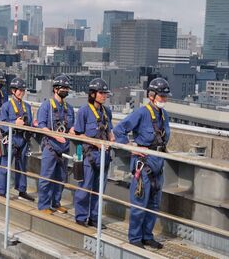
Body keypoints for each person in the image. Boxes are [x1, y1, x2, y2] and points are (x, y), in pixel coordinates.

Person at [113, 77, 171, 249]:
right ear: (151, 95)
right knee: (139, 203)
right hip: (144, 164)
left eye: (165, 97)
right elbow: (119, 129)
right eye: (161, 96)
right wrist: (130, 147)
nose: (164, 100)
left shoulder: (164, 115)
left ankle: (147, 235)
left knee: (153, 204)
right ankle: (135, 237)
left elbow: (162, 138)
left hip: (158, 164)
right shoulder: (142, 113)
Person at [73, 78, 114, 228]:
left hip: (104, 156)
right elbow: (78, 134)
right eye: (101, 93)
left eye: (105, 93)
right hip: (90, 155)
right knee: (85, 188)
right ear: (93, 94)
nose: (104, 96)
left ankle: (94, 218)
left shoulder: (106, 112)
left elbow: (109, 130)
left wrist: (111, 138)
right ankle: (81, 217)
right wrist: (94, 142)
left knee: (99, 190)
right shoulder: (84, 111)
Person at [37, 74, 75, 214]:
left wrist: (72, 130)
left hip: (64, 148)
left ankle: (56, 202)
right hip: (50, 147)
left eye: (67, 88)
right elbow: (41, 126)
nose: (65, 90)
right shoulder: (46, 106)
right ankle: (43, 205)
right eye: (62, 88)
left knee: (60, 177)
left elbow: (72, 125)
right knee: (46, 177)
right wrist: (55, 136)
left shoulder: (69, 108)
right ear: (55, 89)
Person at [0, 77, 34, 201]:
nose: (21, 92)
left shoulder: (27, 107)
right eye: (19, 90)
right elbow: (2, 123)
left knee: (22, 166)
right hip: (11, 139)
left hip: (23, 139)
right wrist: (14, 123)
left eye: (23, 90)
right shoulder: (6, 106)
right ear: (13, 91)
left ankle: (22, 191)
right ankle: (2, 191)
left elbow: (30, 124)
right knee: (5, 165)